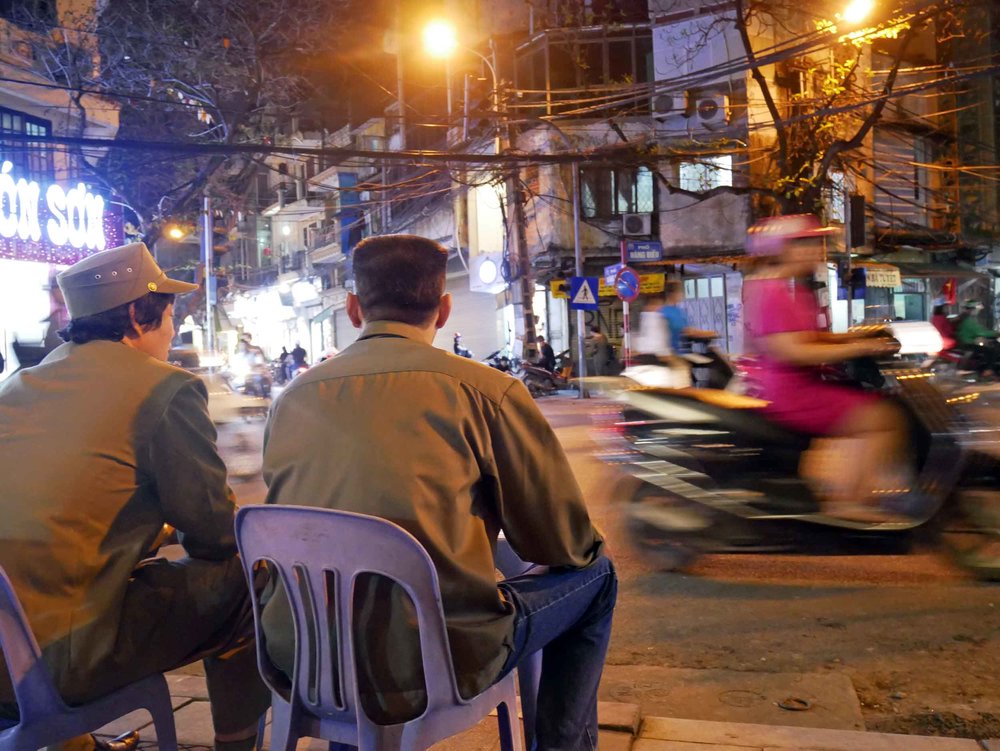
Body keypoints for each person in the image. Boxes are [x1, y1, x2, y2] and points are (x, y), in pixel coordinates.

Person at [261, 234, 616, 750]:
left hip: (301, 659)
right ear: (445, 309)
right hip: (436, 665)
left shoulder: (291, 398)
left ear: (355, 308)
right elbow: (561, 544)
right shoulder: (485, 392)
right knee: (598, 575)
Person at [0, 243, 270, 751]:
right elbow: (213, 533)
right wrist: (167, 531)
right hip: (58, 661)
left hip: (7, 648)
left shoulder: (16, 387)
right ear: (136, 314)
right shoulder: (165, 389)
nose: (172, 331)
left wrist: (149, 530)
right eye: (169, 316)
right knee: (247, 580)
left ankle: (69, 741)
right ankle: (237, 744)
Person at [742, 215, 908, 523]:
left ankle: (848, 493)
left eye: (813, 243)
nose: (812, 250)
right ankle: (847, 501)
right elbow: (792, 350)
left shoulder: (793, 289)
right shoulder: (771, 291)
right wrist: (861, 347)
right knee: (884, 419)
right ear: (781, 249)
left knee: (872, 408)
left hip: (801, 385)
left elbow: (812, 337)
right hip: (791, 393)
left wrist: (860, 335)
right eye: (802, 244)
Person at [660, 279, 717, 354]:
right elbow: (689, 331)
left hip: (677, 351)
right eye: (680, 292)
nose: (682, 294)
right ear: (673, 294)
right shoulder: (671, 312)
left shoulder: (669, 310)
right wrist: (711, 333)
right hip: (675, 354)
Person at [955, 299, 1000, 376]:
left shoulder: (966, 319)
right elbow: (980, 332)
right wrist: (996, 333)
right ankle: (988, 369)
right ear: (973, 309)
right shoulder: (969, 320)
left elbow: (981, 330)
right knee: (991, 351)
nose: (978, 311)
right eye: (977, 310)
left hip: (965, 343)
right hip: (968, 344)